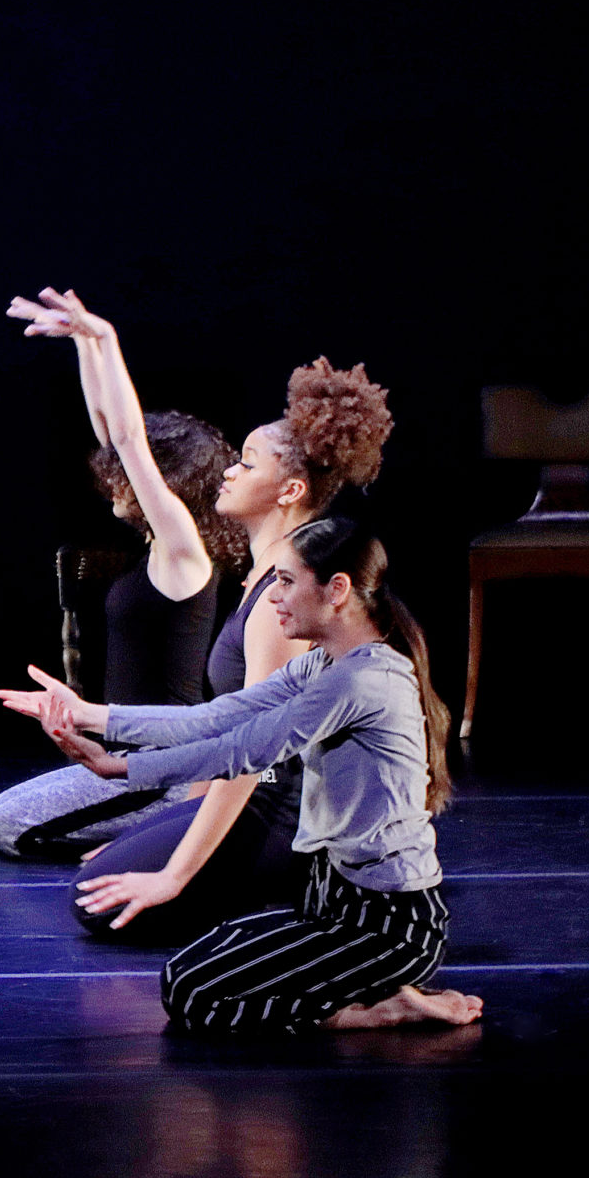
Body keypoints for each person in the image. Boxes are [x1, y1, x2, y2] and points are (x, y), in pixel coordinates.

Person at [2, 516, 481, 1033]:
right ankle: (374, 993)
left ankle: (374, 1009)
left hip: (389, 925)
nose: (274, 596)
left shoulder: (362, 681)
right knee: (185, 970)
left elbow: (242, 751)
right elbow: (217, 717)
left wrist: (116, 767)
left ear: (337, 589)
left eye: (288, 581)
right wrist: (90, 715)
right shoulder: (320, 665)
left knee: (196, 997)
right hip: (330, 904)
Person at [50, 336, 396, 942]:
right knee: (99, 878)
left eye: (247, 463)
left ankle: (297, 898)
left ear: (288, 492)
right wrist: (116, 755)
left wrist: (175, 876)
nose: (228, 471)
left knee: (96, 905)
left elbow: (254, 753)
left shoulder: (285, 596)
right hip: (259, 793)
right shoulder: (262, 574)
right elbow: (226, 719)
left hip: (286, 812)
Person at [0, 288, 239, 859]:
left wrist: (105, 337)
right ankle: (167, 826)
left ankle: (183, 821)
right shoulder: (158, 547)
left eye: (132, 474)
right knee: (5, 816)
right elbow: (110, 429)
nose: (113, 482)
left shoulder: (184, 554)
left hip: (168, 770)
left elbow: (128, 440)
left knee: (8, 823)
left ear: (166, 484)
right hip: (135, 758)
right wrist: (82, 346)